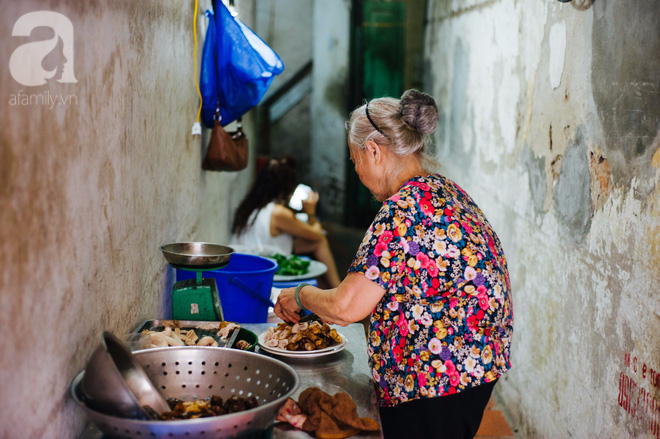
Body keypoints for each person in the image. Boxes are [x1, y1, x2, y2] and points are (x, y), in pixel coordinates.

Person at [274, 90, 513, 438]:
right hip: (476, 363)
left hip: (439, 373)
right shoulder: (445, 190)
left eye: (355, 160)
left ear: (373, 151)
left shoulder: (404, 210)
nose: (357, 170)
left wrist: (300, 295)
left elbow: (346, 306)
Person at [230, 156, 341, 289]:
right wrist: (311, 211)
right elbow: (317, 234)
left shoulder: (252, 204)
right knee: (320, 241)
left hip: (252, 257)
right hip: (263, 264)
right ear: (288, 185)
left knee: (317, 244)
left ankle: (335, 289)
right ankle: (337, 288)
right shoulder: (278, 213)